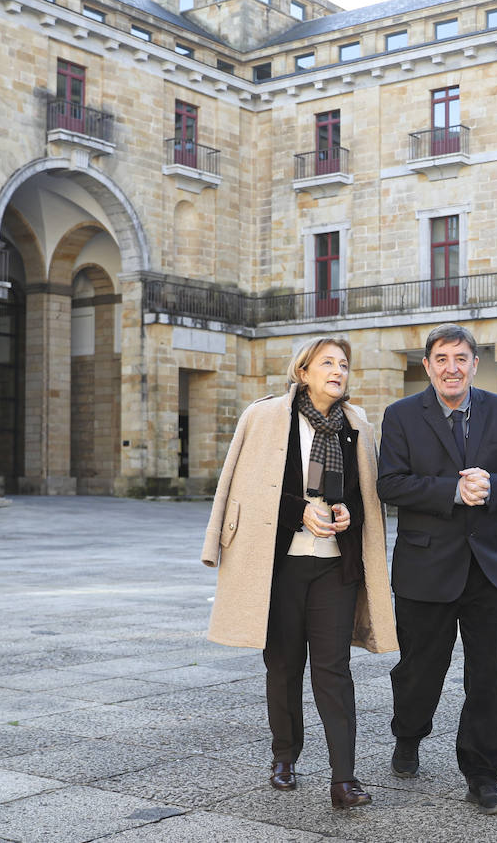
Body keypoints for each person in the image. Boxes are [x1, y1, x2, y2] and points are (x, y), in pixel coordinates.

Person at [201, 337, 396, 808]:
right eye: (327, 362)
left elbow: (364, 494)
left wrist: (348, 512)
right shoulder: (266, 417)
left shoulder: (357, 425)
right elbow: (243, 487)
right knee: (284, 664)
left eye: (344, 364)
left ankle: (343, 778)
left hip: (336, 567)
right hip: (280, 564)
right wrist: (297, 511)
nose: (338, 370)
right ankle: (284, 756)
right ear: (303, 371)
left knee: (334, 670)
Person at [377, 323, 497, 815]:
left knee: (490, 675)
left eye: (462, 358)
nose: (452, 367)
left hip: (489, 567)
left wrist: (492, 486)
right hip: (425, 567)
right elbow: (390, 484)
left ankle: (484, 774)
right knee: (419, 672)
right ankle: (408, 734)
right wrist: (452, 490)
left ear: (474, 364)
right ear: (427, 365)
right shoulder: (402, 415)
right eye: (442, 358)